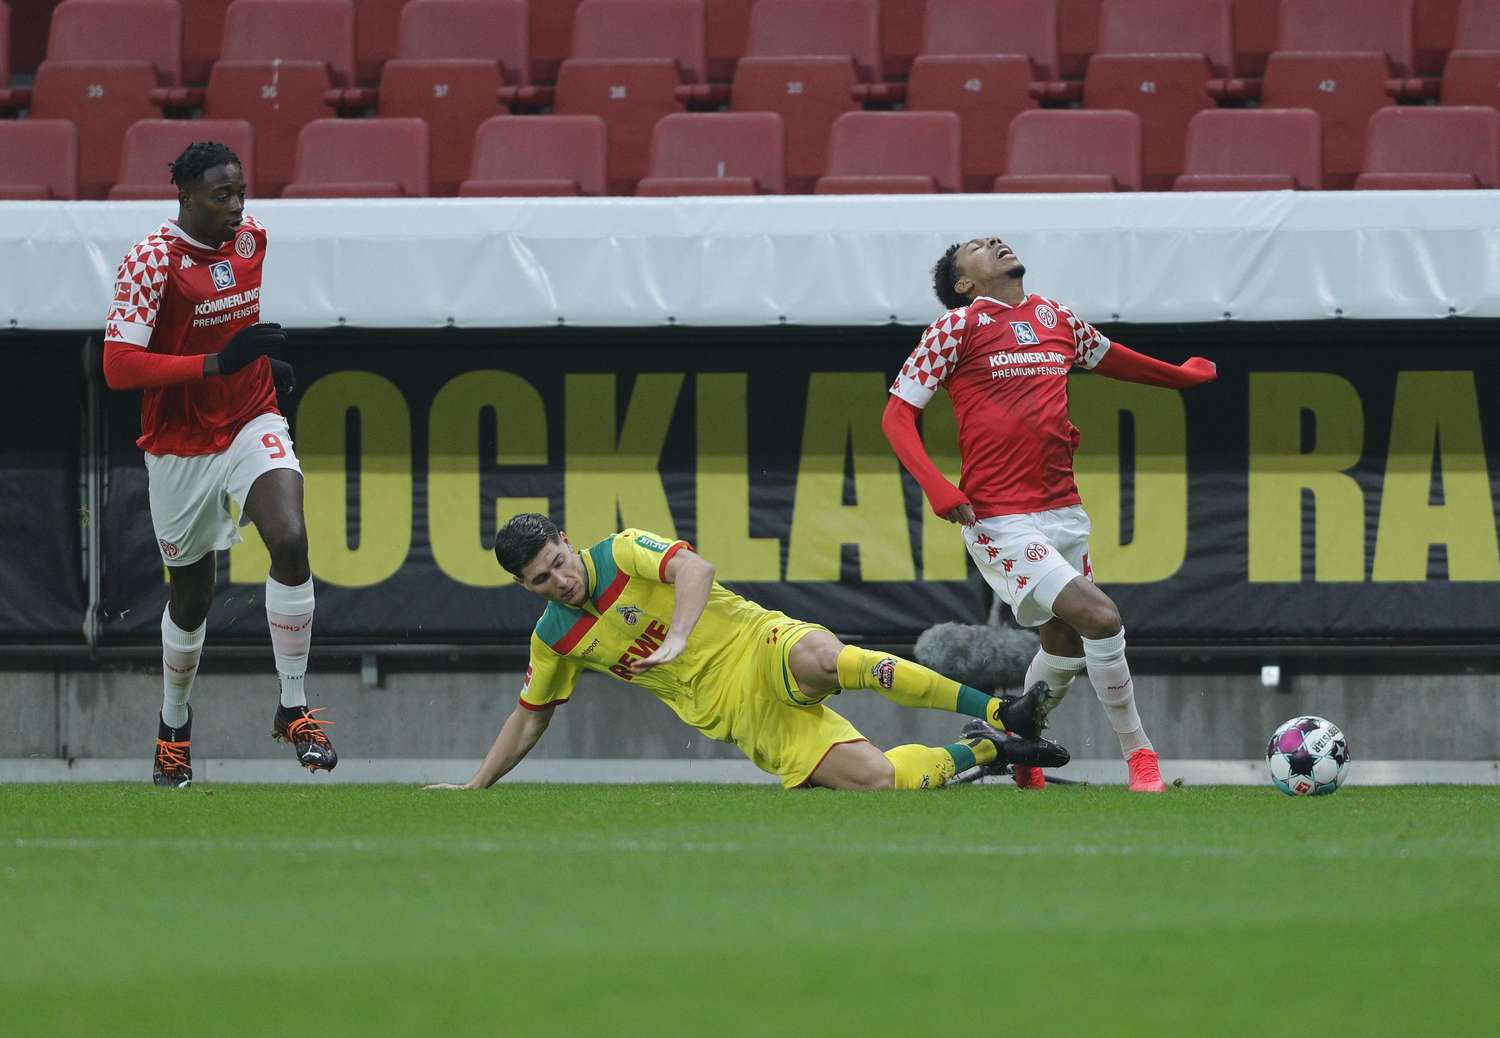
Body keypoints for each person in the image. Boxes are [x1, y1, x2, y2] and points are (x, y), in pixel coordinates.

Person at [881, 236, 1217, 793]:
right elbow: (897, 416)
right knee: (1100, 617)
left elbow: (1114, 359)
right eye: (977, 247)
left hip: (1063, 510)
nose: (994, 241)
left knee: (1062, 641)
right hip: (998, 518)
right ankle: (1140, 755)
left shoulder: (1056, 317)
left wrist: (1178, 377)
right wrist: (937, 486)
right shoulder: (956, 327)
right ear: (964, 283)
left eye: (994, 238)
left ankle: (1019, 743)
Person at [424, 514, 1070, 792]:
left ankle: (1002, 711)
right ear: (526, 587)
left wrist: (677, 637)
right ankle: (989, 749)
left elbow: (695, 570)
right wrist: (477, 785)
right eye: (542, 579)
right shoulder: (554, 638)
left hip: (755, 642)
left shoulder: (621, 550)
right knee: (878, 781)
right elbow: (530, 715)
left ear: (567, 540)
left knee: (828, 658)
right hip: (740, 715)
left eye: (559, 561)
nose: (561, 580)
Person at [102, 140, 336, 787]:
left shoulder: (251, 238)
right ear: (185, 197)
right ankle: (174, 726)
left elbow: (231, 326)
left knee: (289, 538)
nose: (236, 206)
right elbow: (118, 366)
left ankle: (293, 707)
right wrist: (216, 364)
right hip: (179, 444)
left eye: (240, 192)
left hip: (251, 418)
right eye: (221, 195)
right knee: (191, 598)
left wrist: (257, 365)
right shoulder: (152, 259)